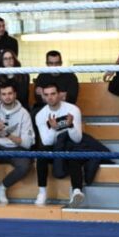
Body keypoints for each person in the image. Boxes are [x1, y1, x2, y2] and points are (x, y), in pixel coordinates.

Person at [33, 80, 86, 208]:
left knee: (72, 150)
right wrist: (54, 129)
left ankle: (76, 191)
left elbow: (77, 139)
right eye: (46, 95)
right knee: (41, 153)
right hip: (53, 147)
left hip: (69, 144)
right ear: (43, 96)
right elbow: (46, 142)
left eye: (53, 94)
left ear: (59, 94)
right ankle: (42, 192)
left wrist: (71, 126)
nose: (50, 97)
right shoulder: (40, 115)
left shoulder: (73, 109)